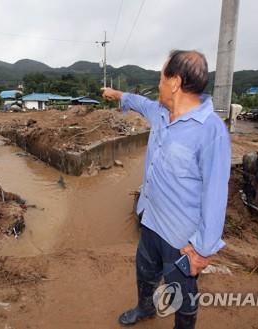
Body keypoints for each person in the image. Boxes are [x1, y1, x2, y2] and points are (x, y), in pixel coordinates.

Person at [102, 50, 231, 329]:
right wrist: (117, 95)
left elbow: (216, 195)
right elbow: (139, 102)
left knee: (183, 293)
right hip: (150, 219)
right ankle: (145, 308)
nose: (158, 84)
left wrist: (202, 250)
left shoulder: (211, 131)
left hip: (181, 237)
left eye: (161, 77)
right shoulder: (161, 112)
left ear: (174, 82)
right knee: (145, 273)